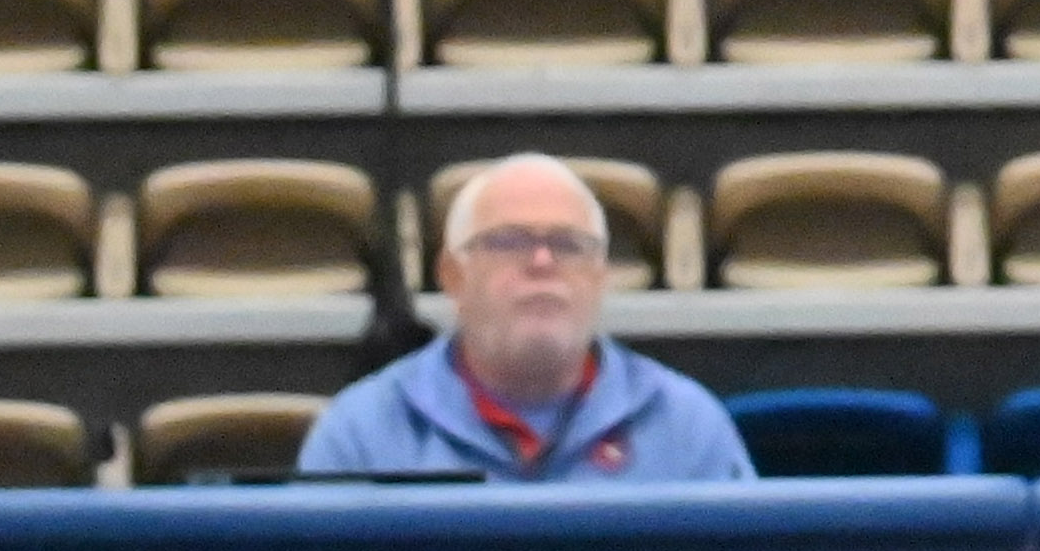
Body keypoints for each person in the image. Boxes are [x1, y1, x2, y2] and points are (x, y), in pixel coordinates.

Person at [300, 154, 752, 484]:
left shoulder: (687, 428)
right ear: (452, 275)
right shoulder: (363, 432)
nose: (541, 262)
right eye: (508, 242)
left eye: (569, 244)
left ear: (600, 276)